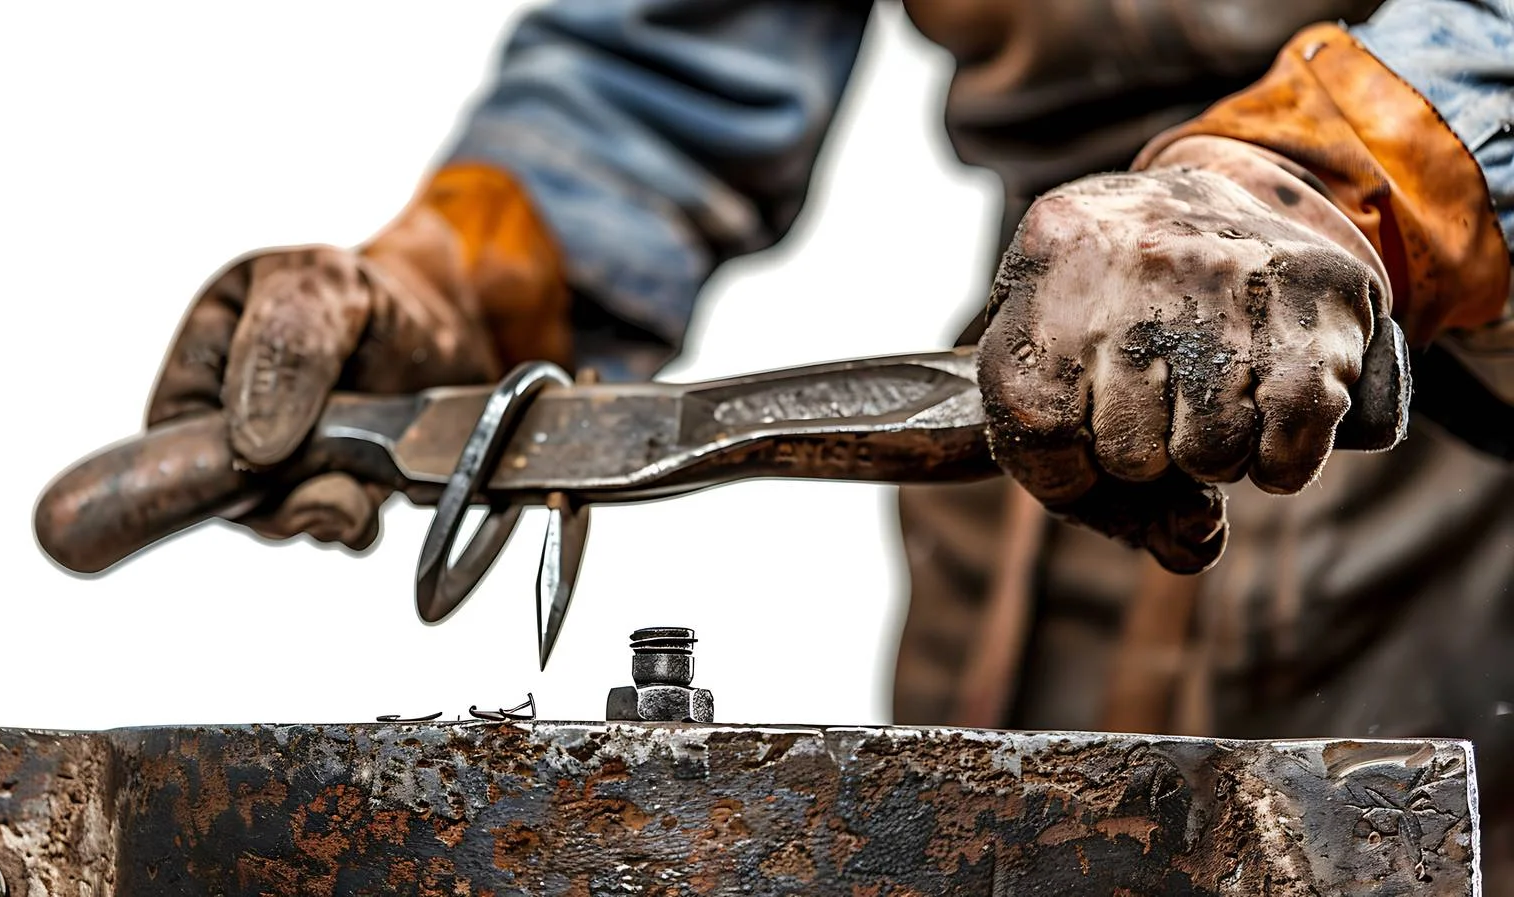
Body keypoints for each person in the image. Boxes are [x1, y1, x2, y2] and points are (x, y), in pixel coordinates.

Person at [127, 0, 1513, 882]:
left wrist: (1345, 174)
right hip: (1029, 413)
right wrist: (478, 266)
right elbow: (668, 61)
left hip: (1442, 436)